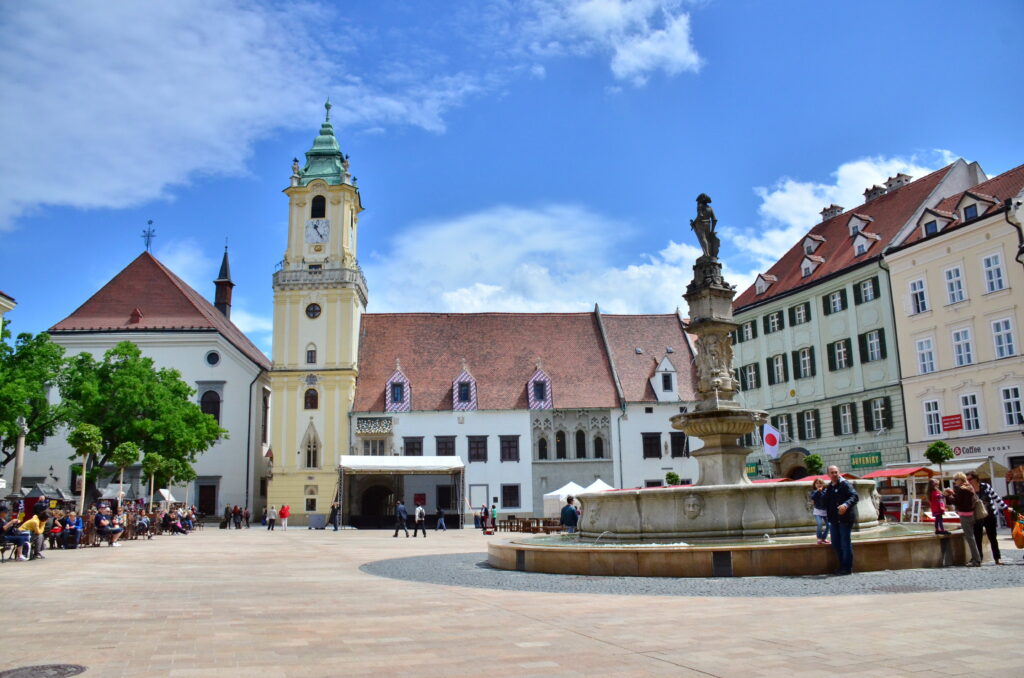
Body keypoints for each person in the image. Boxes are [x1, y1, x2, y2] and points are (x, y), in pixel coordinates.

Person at [966, 471, 1011, 565]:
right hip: (977, 516)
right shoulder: (968, 490)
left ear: (976, 478)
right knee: (977, 538)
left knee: (992, 537)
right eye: (967, 479)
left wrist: (1006, 507)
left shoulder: (986, 486)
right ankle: (979, 559)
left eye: (970, 479)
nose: (968, 481)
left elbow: (996, 498)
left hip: (989, 514)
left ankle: (997, 558)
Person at [823, 465, 858, 575]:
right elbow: (826, 501)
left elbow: (854, 496)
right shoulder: (830, 487)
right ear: (828, 475)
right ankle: (842, 566)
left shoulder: (845, 484)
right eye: (832, 472)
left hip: (845, 518)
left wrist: (845, 505)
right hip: (834, 519)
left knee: (845, 543)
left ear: (839, 472)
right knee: (835, 543)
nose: (834, 474)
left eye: (836, 472)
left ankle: (847, 568)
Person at [948, 472, 982, 567]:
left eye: (956, 480)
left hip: (965, 515)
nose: (955, 482)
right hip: (971, 515)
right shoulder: (969, 487)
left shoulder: (962, 489)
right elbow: (963, 500)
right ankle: (975, 558)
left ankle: (976, 560)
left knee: (970, 538)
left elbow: (958, 502)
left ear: (960, 479)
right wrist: (953, 494)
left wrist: (948, 496)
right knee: (972, 538)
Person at [809, 479, 829, 544]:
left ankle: (824, 538)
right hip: (817, 510)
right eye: (817, 483)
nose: (818, 485)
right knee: (819, 524)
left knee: (829, 525)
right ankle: (819, 538)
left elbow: (826, 498)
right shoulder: (814, 492)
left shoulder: (826, 491)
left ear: (823, 484)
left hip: (825, 511)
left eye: (820, 483)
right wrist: (818, 491)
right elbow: (812, 498)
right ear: (814, 485)